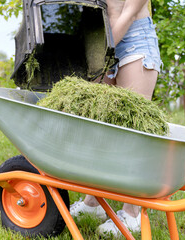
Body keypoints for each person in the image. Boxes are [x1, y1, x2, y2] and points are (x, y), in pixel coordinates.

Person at [69, 0, 162, 237]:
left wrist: (99, 56)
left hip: (133, 39)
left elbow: (128, 12)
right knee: (99, 129)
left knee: (132, 132)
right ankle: (94, 203)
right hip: (103, 39)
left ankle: (131, 215)